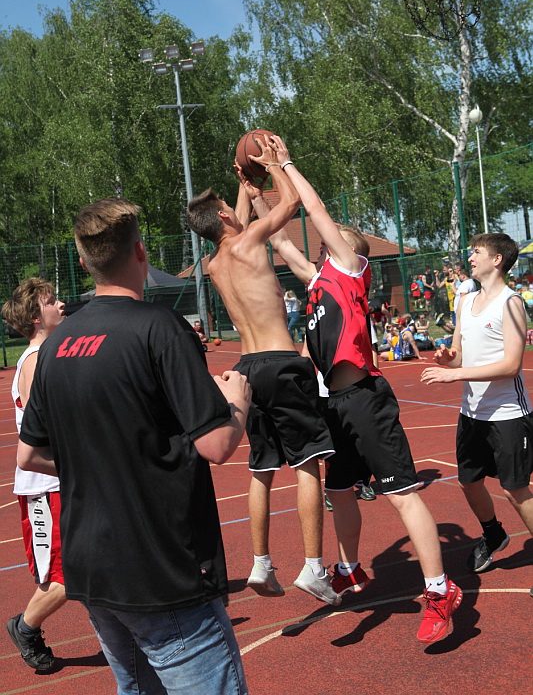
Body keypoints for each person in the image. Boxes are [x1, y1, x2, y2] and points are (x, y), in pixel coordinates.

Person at [17, 198, 252, 695]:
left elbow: (31, 455)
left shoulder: (55, 345)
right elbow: (217, 444)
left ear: (84, 263)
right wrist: (237, 401)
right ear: (141, 252)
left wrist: (101, 460)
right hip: (159, 568)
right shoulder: (160, 327)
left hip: (91, 567)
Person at [247, 138, 462, 645]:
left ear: (348, 251)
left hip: (365, 397)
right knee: (338, 491)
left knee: (401, 495)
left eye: (331, 240)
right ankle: (348, 568)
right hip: (332, 405)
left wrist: (285, 165)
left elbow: (316, 211)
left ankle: (439, 589)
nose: (323, 244)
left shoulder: (349, 270)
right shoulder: (318, 280)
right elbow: (281, 243)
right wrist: (256, 194)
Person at [187, 138, 339, 607]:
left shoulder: (215, 263)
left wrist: (243, 187)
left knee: (263, 467)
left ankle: (260, 563)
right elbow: (291, 203)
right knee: (309, 463)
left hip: (248, 369)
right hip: (282, 362)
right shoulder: (250, 240)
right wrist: (275, 166)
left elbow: (231, 225)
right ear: (225, 217)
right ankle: (313, 568)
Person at [421, 233, 533, 576]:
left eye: (477, 252)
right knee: (469, 482)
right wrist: (449, 359)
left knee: (515, 490)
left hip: (508, 414)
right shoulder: (465, 301)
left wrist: (456, 373)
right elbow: (459, 356)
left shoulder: (511, 303)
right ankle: (493, 534)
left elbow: (511, 365)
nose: (470, 257)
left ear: (496, 260)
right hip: (472, 413)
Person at [2, 279, 67, 672]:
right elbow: (47, 424)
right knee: (62, 576)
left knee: (92, 561)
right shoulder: (35, 360)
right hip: (46, 484)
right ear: (34, 317)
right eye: (51, 301)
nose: (61, 304)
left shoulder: (53, 352)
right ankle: (25, 627)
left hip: (67, 478)